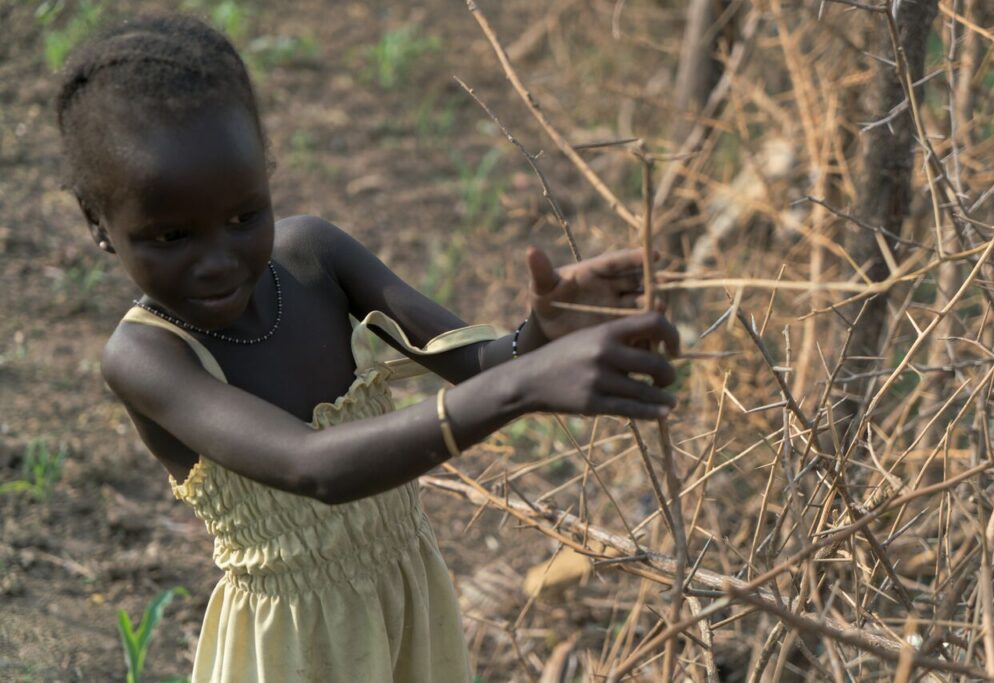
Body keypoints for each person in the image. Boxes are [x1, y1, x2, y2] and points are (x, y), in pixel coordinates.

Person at [56, 13, 679, 682]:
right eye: (172, 237)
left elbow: (474, 364)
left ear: (266, 171)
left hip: (407, 608)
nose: (218, 259)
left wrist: (539, 339)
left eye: (245, 216)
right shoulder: (148, 358)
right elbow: (314, 466)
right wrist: (522, 388)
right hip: (293, 649)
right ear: (99, 223)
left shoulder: (315, 257)